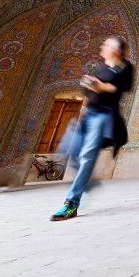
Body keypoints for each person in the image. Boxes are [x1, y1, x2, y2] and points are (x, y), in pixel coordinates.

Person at [51, 36, 133, 221]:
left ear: (117, 51)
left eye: (107, 44)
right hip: (89, 115)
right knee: (68, 151)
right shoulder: (100, 68)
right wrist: (87, 90)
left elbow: (119, 88)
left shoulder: (124, 67)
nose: (103, 46)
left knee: (87, 157)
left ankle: (71, 204)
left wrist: (100, 86)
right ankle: (87, 182)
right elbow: (90, 93)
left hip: (103, 117)